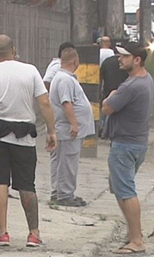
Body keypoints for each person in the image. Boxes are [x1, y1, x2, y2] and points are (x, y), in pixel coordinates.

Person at [0, 35, 57, 248]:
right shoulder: (30, 71)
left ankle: (3, 232)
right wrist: (52, 131)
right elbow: (44, 102)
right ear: (14, 50)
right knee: (26, 184)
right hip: (23, 136)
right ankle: (33, 234)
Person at [101, 42, 154, 254]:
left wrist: (110, 96)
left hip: (125, 144)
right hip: (137, 142)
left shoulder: (131, 86)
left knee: (126, 192)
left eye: (123, 56)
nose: (119, 59)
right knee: (121, 189)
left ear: (137, 59)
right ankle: (132, 234)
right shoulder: (146, 79)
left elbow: (107, 108)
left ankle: (137, 240)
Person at [49, 47, 94, 207]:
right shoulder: (65, 80)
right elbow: (66, 103)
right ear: (75, 61)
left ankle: (59, 192)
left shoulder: (62, 78)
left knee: (61, 161)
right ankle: (65, 194)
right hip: (68, 130)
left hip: (64, 129)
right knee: (68, 162)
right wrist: (74, 124)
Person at [99, 44, 129, 138]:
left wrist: (99, 89)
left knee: (105, 110)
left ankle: (102, 130)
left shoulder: (107, 61)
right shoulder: (127, 64)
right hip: (122, 89)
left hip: (108, 88)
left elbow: (100, 76)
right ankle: (109, 131)